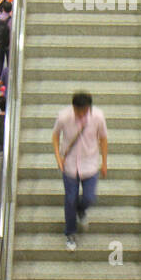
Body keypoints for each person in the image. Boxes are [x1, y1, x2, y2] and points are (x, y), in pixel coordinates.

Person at [53, 92, 108, 251]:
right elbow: (55, 136)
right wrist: (58, 157)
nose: (81, 114)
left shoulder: (98, 116)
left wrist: (104, 162)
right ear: (74, 107)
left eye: (84, 110)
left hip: (90, 164)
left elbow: (103, 138)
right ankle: (70, 233)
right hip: (69, 165)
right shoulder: (64, 116)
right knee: (70, 199)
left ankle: (81, 210)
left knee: (90, 197)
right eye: (79, 111)